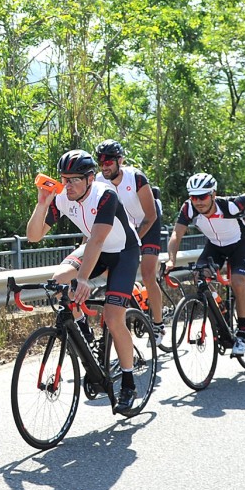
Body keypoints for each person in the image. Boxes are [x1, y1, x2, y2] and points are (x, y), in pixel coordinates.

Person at [26, 149, 142, 414]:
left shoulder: (105, 195)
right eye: (64, 179)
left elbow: (98, 240)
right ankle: (85, 332)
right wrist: (43, 203)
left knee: (113, 319)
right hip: (94, 248)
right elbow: (33, 236)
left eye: (74, 180)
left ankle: (127, 382)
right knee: (58, 280)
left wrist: (82, 279)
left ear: (90, 179)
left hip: (122, 253)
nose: (67, 185)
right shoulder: (62, 197)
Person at [164, 173, 245, 356]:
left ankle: (241, 334)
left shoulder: (231, 206)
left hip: (239, 244)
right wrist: (171, 260)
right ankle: (221, 310)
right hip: (215, 247)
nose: (198, 202)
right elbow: (176, 234)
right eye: (194, 197)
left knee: (238, 282)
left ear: (213, 195)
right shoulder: (188, 209)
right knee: (199, 276)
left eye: (203, 197)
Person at [94, 139, 168, 350]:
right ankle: (134, 290)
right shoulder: (99, 181)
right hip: (125, 229)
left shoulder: (135, 178)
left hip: (148, 223)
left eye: (109, 160)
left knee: (147, 274)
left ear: (120, 160)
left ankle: (158, 323)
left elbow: (151, 214)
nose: (104, 165)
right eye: (101, 160)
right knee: (109, 268)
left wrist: (133, 241)